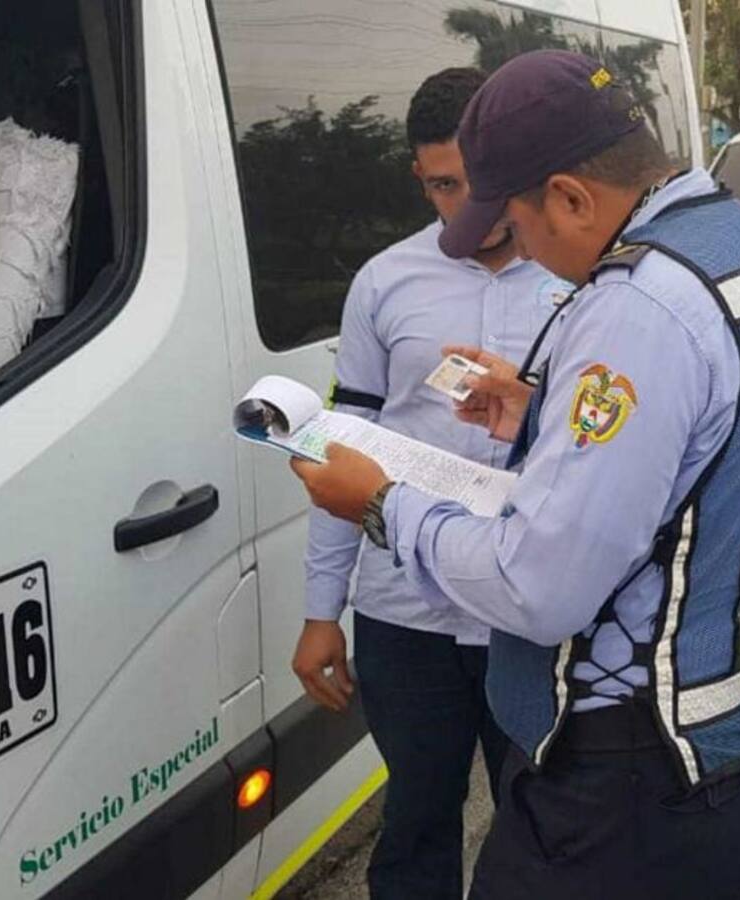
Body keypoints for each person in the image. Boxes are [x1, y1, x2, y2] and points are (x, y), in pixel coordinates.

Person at [290, 50, 740, 899]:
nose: (526, 254)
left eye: (519, 222)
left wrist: (383, 506)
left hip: (636, 784)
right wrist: (541, 410)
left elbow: (539, 587)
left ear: (573, 198)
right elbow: (711, 439)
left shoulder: (638, 305)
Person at [291, 67, 564, 900]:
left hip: (528, 613)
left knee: (542, 829)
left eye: (480, 183)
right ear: (420, 177)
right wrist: (319, 612)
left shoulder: (584, 281)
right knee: (414, 822)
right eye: (444, 185)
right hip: (404, 615)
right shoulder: (383, 283)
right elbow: (347, 449)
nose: (465, 207)